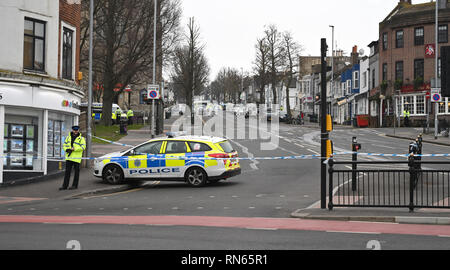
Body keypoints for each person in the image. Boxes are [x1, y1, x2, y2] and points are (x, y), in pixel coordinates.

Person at [60, 126, 86, 190]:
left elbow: (83, 147)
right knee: (67, 172)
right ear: (72, 130)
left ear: (78, 130)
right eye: (74, 130)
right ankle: (65, 186)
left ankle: (74, 185)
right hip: (69, 157)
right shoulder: (68, 137)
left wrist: (75, 149)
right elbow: (64, 145)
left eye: (77, 130)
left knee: (76, 173)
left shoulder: (81, 138)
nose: (75, 131)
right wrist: (67, 149)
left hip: (76, 158)